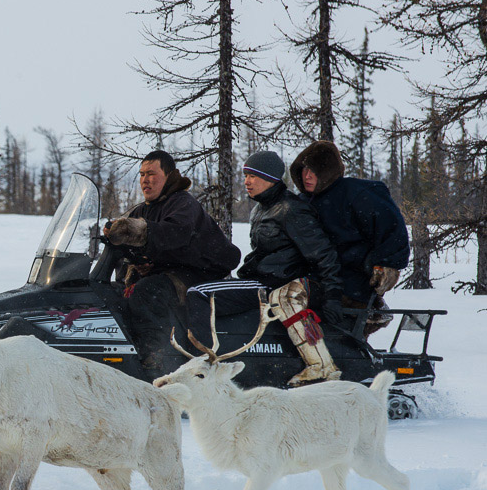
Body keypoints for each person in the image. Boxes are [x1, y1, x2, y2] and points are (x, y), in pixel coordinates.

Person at [187, 150, 344, 385]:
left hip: (273, 284)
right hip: (262, 279)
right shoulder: (261, 208)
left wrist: (332, 296)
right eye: (245, 176)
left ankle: (203, 368)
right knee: (197, 289)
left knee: (198, 293)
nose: (246, 181)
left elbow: (323, 254)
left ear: (270, 178)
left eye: (252, 176)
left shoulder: (291, 209)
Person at [103, 149, 240, 378]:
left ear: (169, 176)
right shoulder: (142, 209)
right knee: (117, 293)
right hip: (168, 273)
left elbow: (174, 234)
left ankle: (158, 359)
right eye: (142, 174)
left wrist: (137, 231)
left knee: (148, 291)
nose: (145, 180)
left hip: (197, 276)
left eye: (151, 174)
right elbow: (137, 242)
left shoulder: (183, 203)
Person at [289, 140, 410, 334]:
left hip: (351, 282)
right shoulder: (301, 202)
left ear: (327, 172)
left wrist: (387, 264)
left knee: (340, 336)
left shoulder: (356, 193)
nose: (307, 176)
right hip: (313, 280)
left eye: (314, 171)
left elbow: (391, 226)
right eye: (304, 170)